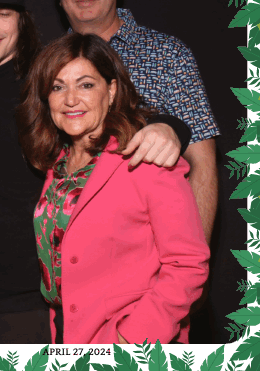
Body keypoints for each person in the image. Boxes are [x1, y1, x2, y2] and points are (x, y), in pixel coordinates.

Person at [0, 0, 190, 344]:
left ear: (22, 22)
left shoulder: (44, 86)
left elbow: (112, 110)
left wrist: (169, 127)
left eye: (3, 13)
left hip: (26, 307)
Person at [17, 33, 210, 344]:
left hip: (128, 341)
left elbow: (188, 264)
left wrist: (132, 338)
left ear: (111, 90)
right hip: (67, 332)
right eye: (57, 87)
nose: (70, 99)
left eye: (85, 85)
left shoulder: (147, 158)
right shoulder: (58, 164)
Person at [53, 0, 219, 242]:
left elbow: (203, 164)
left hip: (151, 251)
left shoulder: (168, 54)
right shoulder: (48, 66)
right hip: (70, 252)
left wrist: (194, 258)